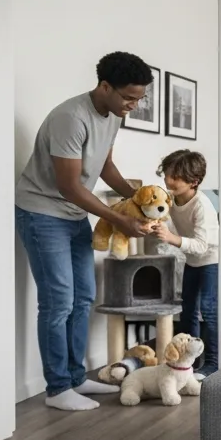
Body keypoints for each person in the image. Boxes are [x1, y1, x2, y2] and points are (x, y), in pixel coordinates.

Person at [15, 51, 156, 411]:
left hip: (73, 213)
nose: (133, 105)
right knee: (58, 301)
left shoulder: (112, 115)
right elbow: (68, 185)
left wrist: (136, 199)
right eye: (128, 97)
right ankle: (57, 388)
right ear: (104, 86)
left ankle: (77, 379)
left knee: (83, 297)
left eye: (139, 99)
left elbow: (105, 166)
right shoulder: (70, 118)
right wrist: (119, 219)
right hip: (43, 212)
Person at [150, 150, 219, 379]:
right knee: (188, 310)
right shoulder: (171, 198)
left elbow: (201, 245)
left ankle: (213, 363)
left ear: (194, 181)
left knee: (209, 310)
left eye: (176, 178)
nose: (169, 181)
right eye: (168, 174)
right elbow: (166, 218)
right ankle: (189, 360)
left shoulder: (202, 206)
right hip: (193, 260)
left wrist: (171, 238)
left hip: (212, 260)